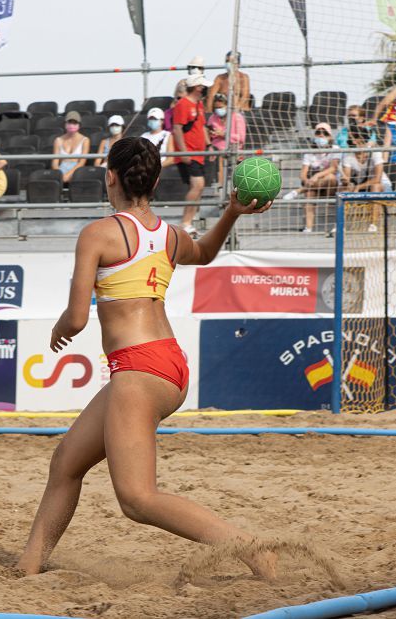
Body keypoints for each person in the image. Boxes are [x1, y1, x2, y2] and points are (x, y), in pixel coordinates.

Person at [16, 137, 274, 577]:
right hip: (167, 364)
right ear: (155, 181)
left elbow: (77, 318)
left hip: (138, 367)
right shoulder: (170, 236)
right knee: (67, 461)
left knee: (137, 499)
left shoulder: (98, 233)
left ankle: (250, 548)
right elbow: (206, 252)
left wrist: (60, 327)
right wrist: (231, 211)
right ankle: (30, 564)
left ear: (110, 176)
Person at [170, 73, 211, 236]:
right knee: (198, 185)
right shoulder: (183, 104)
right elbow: (177, 128)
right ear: (197, 87)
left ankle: (189, 221)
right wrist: (184, 150)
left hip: (198, 152)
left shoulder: (199, 105)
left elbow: (201, 127)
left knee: (199, 187)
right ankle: (185, 222)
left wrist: (209, 145)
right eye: (202, 86)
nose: (205, 89)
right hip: (190, 152)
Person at [282, 123, 340, 233]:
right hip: (314, 186)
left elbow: (333, 168)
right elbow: (303, 174)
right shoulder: (309, 152)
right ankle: (308, 228)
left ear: (330, 136)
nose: (321, 135)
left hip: (331, 187)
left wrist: (316, 176)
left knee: (330, 177)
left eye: (325, 133)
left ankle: (298, 191)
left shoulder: (335, 148)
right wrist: (306, 180)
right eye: (318, 133)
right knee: (310, 193)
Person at [339, 123, 388, 231]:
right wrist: (345, 181)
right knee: (342, 189)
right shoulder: (348, 154)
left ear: (361, 138)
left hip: (380, 185)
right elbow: (347, 177)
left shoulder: (374, 152)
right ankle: (340, 225)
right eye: (349, 138)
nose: (349, 141)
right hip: (359, 183)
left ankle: (373, 224)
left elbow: (377, 178)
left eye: (352, 138)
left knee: (375, 187)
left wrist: (358, 187)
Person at [206, 93, 245, 184]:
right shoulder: (212, 118)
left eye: (221, 107)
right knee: (214, 154)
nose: (219, 110)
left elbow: (241, 138)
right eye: (216, 108)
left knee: (222, 155)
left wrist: (224, 134)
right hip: (216, 148)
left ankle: (221, 185)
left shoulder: (237, 117)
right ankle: (217, 186)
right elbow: (208, 132)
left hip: (233, 148)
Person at [52, 111, 90, 183]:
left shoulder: (85, 140)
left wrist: (69, 174)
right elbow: (55, 163)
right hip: (61, 169)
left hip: (77, 170)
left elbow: (82, 162)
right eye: (69, 122)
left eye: (75, 123)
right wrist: (60, 174)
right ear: (65, 124)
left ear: (79, 125)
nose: (72, 125)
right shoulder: (58, 140)